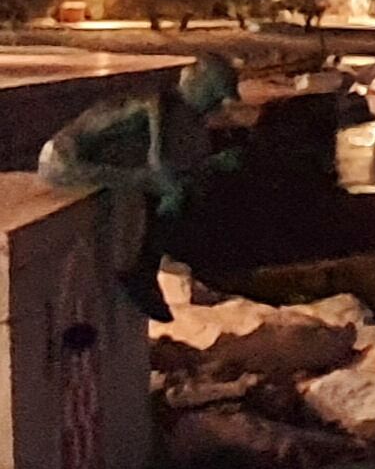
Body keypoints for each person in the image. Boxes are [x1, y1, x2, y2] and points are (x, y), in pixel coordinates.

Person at [36, 57, 238, 314]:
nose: (217, 105)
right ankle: (139, 268)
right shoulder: (151, 107)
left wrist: (216, 163)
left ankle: (161, 265)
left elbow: (179, 165)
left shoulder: (184, 118)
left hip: (105, 164)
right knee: (162, 190)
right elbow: (157, 161)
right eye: (214, 96)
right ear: (196, 85)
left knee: (180, 192)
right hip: (64, 162)